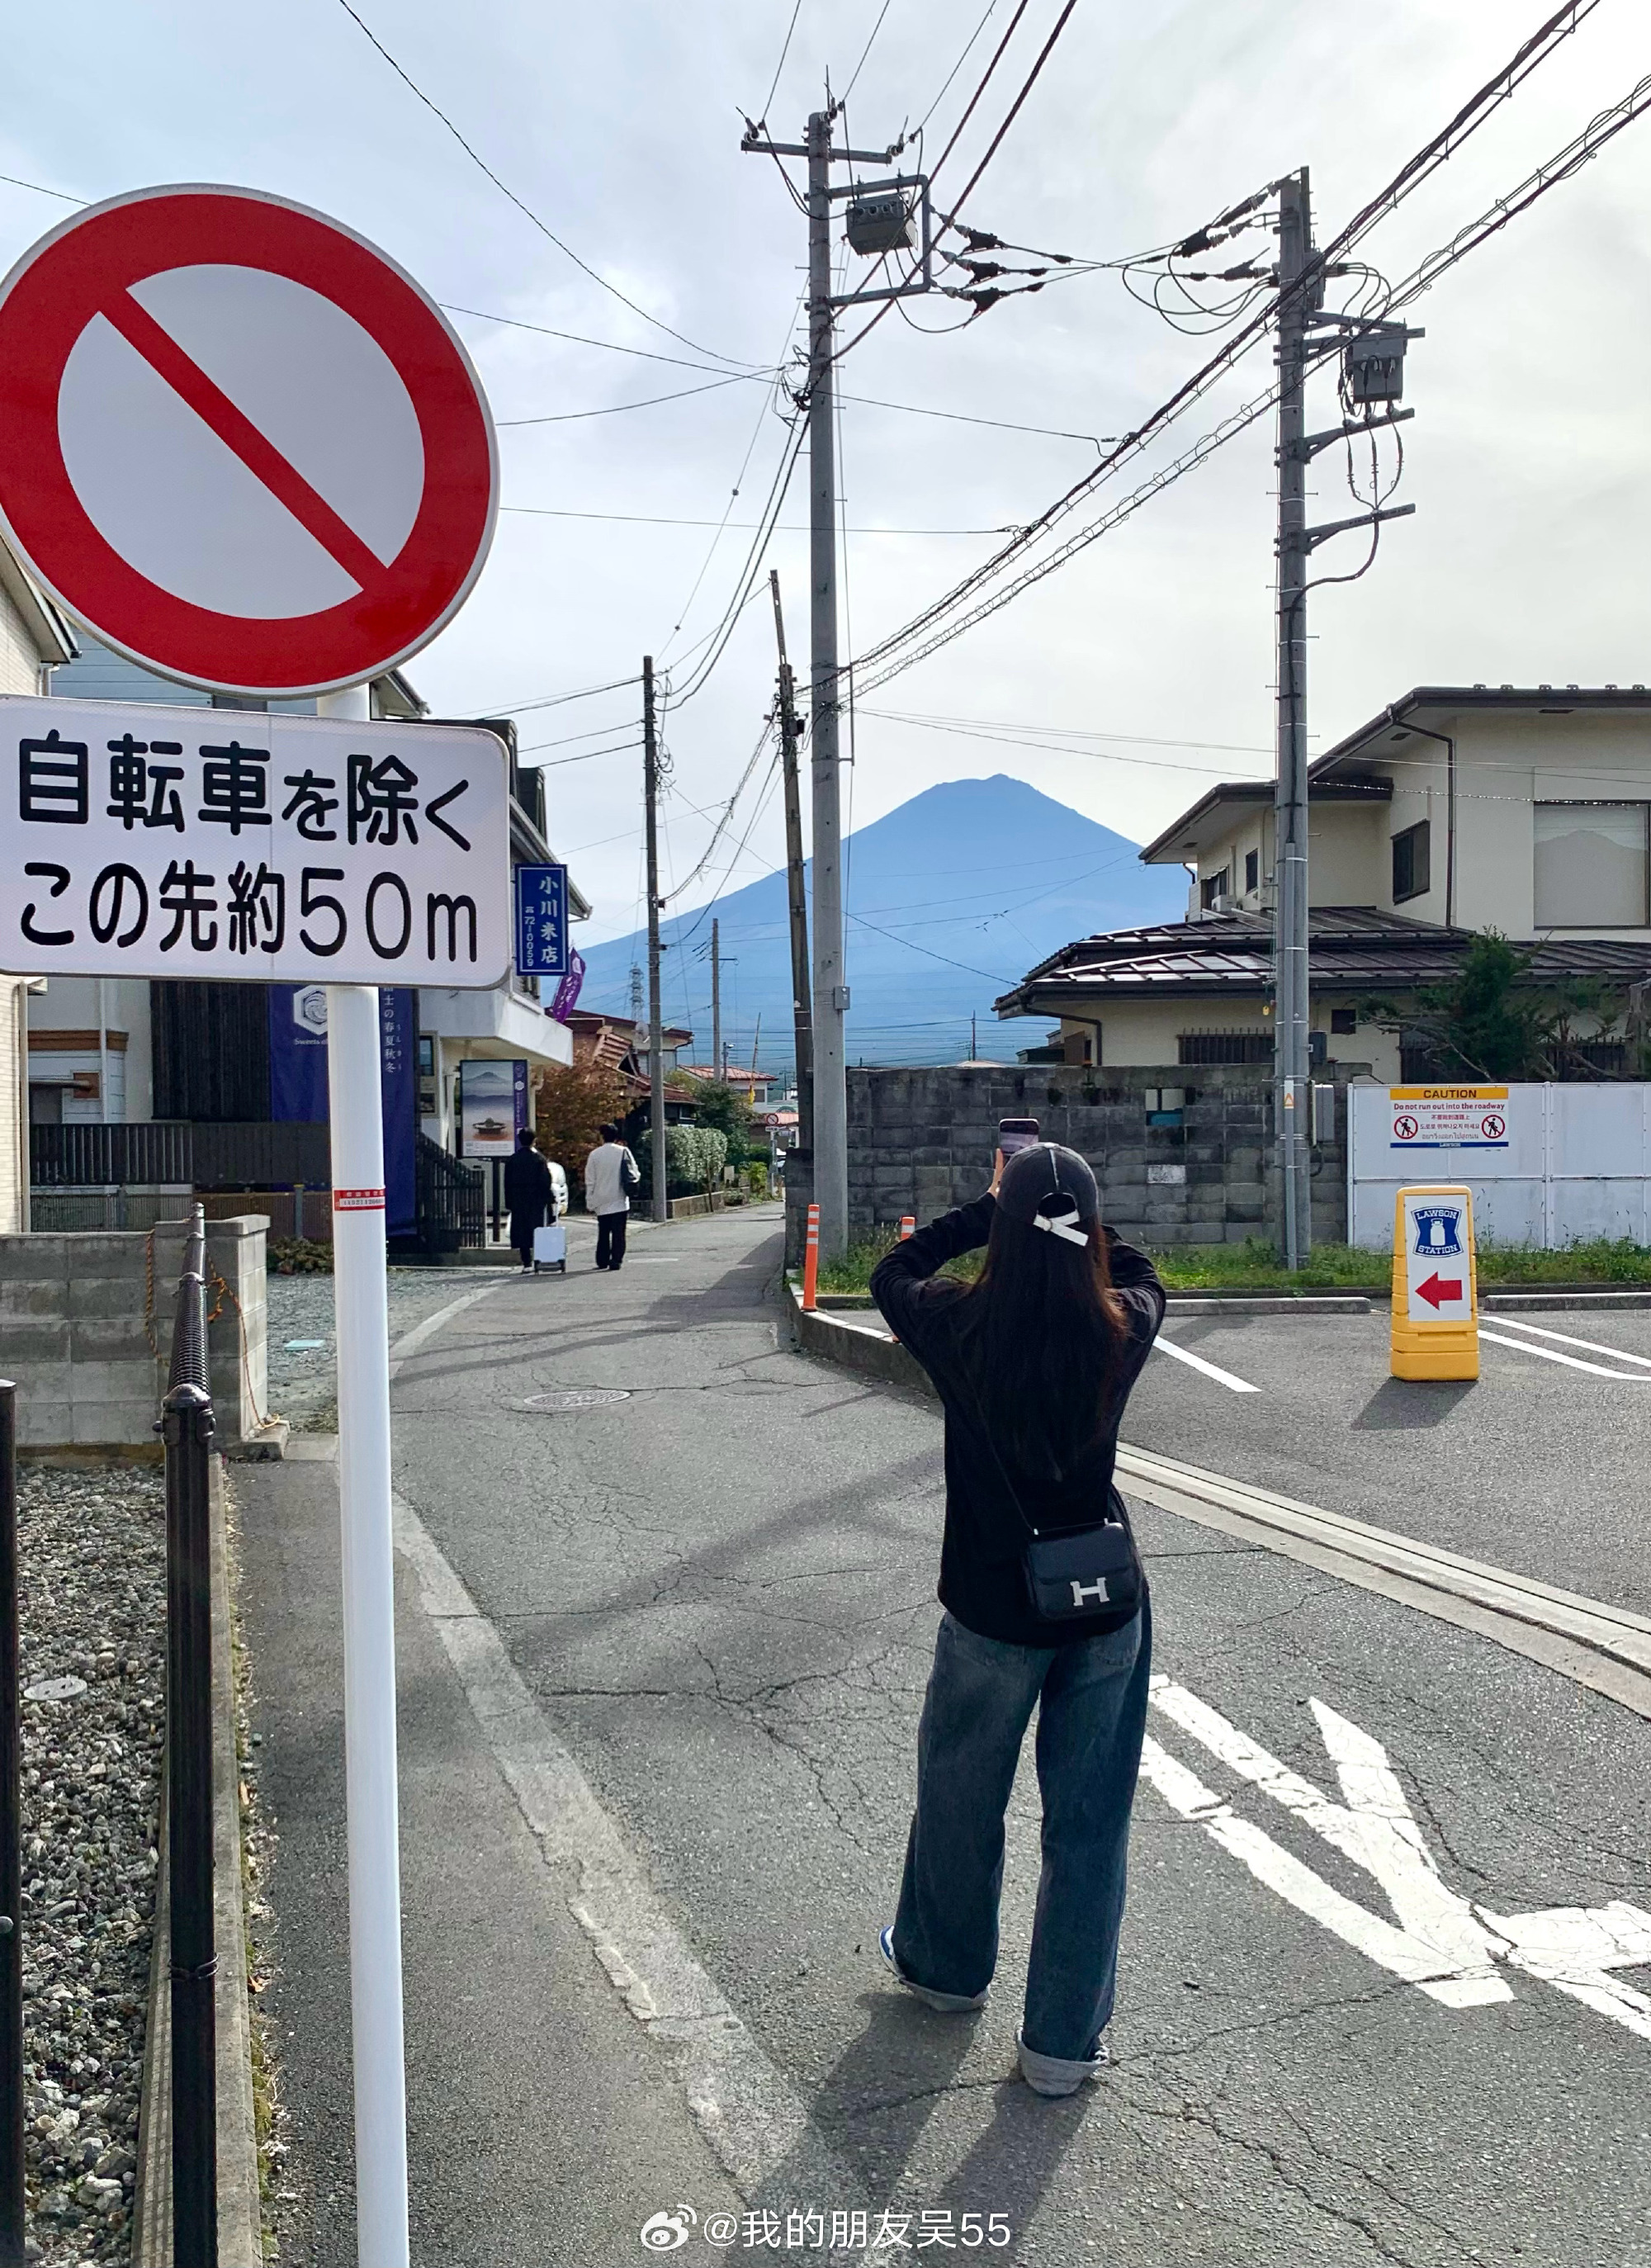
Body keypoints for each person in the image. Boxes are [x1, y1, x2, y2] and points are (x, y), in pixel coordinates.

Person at [869, 1141, 1165, 2099]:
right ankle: (1059, 2047)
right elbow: (1137, 1269)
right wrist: (1069, 1211)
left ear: (999, 1229)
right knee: (1089, 1827)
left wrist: (989, 1206)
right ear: (1086, 1229)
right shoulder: (1121, 1326)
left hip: (992, 1608)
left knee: (960, 1795)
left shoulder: (957, 1325)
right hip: (1101, 1610)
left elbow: (893, 1268)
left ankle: (947, 1973)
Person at [584, 1121, 640, 1271]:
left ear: (602, 1136)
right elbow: (635, 1173)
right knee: (618, 1233)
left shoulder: (594, 1155)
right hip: (619, 1198)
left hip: (601, 1199)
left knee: (603, 1232)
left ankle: (602, 1260)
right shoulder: (623, 1152)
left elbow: (590, 1180)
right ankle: (616, 1260)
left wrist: (590, 1201)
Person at [503, 1126, 556, 1273]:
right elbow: (546, 1181)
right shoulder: (539, 1159)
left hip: (518, 1200)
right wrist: (549, 1198)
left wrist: (509, 1202)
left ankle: (526, 1263)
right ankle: (539, 1259)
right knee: (537, 1230)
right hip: (536, 1200)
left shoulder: (513, 1159)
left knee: (521, 1230)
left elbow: (507, 1183)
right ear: (534, 1141)